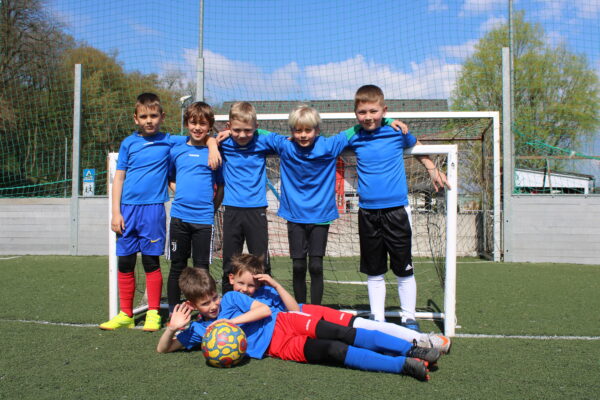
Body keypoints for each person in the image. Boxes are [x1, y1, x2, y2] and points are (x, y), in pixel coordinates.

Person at [230, 105, 406, 305]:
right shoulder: (285, 145)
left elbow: (355, 129)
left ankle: (314, 310)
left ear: (317, 130)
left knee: (315, 266)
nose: (303, 135)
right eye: (298, 130)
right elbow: (258, 130)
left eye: (308, 130)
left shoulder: (329, 146)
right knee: (298, 267)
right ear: (291, 131)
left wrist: (387, 121)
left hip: (321, 215)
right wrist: (228, 132)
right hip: (294, 215)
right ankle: (299, 309)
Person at [157, 267, 440, 381]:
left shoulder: (231, 300)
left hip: (286, 322)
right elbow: (163, 350)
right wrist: (171, 328)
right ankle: (403, 366)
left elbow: (263, 310)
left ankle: (411, 349)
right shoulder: (199, 330)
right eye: (205, 304)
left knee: (344, 332)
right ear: (193, 305)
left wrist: (228, 323)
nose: (213, 305)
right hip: (279, 347)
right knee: (333, 351)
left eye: (213, 298)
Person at [100, 93, 220, 332]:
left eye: (154, 116)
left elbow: (201, 135)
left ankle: (154, 313)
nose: (149, 120)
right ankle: (125, 314)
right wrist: (115, 212)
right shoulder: (128, 143)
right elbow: (119, 178)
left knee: (150, 261)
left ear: (162, 117)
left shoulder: (170, 141)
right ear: (135, 118)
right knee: (125, 261)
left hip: (154, 210)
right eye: (144, 116)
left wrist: (213, 144)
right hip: (127, 210)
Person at [347, 85, 450, 331]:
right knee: (374, 271)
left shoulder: (396, 132)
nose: (368, 117)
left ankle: (409, 318)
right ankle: (378, 320)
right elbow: (328, 146)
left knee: (404, 268)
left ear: (384, 110)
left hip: (397, 211)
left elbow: (418, 148)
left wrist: (432, 169)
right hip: (367, 212)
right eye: (362, 112)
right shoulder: (353, 136)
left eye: (374, 111)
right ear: (355, 114)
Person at [227, 253, 451, 353]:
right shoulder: (229, 304)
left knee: (360, 326)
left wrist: (275, 285)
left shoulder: (266, 291)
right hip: (295, 332)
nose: (245, 289)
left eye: (250, 285)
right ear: (231, 279)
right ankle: (407, 349)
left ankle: (421, 339)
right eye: (241, 284)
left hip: (309, 314)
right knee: (350, 343)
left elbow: (295, 309)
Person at [166, 101, 224, 315]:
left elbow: (221, 187)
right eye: (193, 123)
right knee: (177, 267)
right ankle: (174, 312)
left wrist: (211, 208)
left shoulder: (214, 153)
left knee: (202, 269)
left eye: (203, 123)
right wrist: (181, 192)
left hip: (203, 221)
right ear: (186, 123)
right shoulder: (176, 150)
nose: (197, 128)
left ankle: (204, 313)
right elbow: (170, 178)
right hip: (179, 219)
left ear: (210, 126)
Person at [218, 102, 276, 293]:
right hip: (232, 210)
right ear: (228, 127)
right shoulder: (223, 143)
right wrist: (213, 143)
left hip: (256, 209)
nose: (242, 135)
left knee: (261, 262)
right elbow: (203, 140)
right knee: (229, 262)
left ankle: (265, 301)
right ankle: (228, 301)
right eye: (236, 130)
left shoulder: (262, 141)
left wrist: (259, 133)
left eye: (248, 130)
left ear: (256, 128)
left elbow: (282, 139)